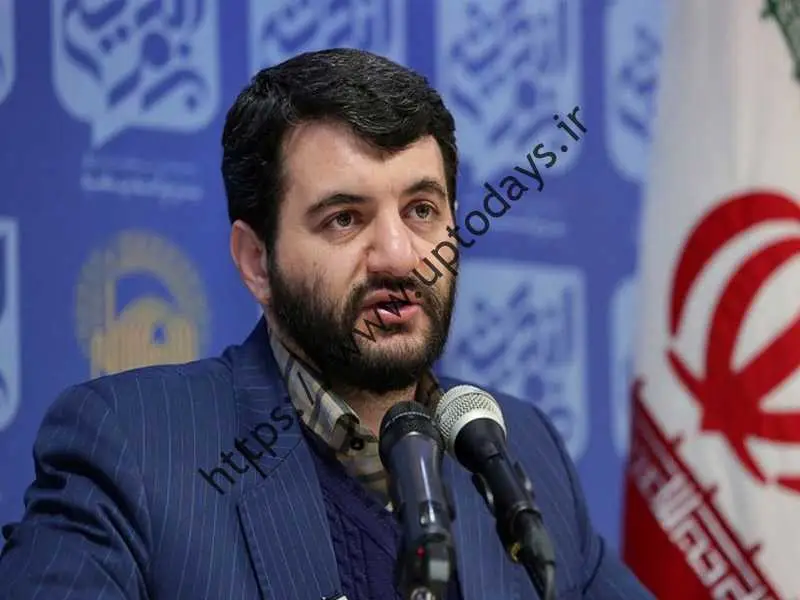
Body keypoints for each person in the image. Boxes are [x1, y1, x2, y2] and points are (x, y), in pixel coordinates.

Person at [0, 48, 653, 600]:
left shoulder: (519, 448)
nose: (399, 256)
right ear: (257, 262)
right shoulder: (135, 447)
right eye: (344, 218)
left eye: (422, 211)